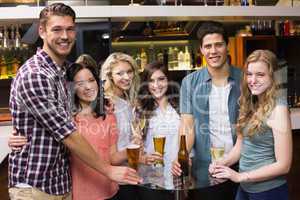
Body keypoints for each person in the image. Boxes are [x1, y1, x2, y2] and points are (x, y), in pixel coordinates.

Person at [8, 3, 140, 199]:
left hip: (61, 183)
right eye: (57, 29)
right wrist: (108, 170)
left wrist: (103, 103)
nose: (64, 36)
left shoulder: (62, 73)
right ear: (42, 31)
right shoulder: (35, 74)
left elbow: (86, 90)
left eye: (70, 29)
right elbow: (66, 133)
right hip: (36, 186)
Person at [172, 21, 242, 199]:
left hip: (243, 164)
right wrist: (183, 154)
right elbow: (187, 125)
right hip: (205, 169)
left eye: (218, 45)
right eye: (208, 46)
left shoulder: (245, 79)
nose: (213, 51)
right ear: (201, 50)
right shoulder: (190, 83)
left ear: (227, 46)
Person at [210, 49, 292, 200]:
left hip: (269, 191)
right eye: (249, 74)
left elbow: (284, 165)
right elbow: (240, 146)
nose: (252, 80)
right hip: (246, 188)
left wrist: (240, 176)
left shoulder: (278, 108)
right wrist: (222, 163)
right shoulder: (250, 103)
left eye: (260, 75)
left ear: (273, 77)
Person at [66, 62, 126, 200]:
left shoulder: (108, 115)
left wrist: (133, 151)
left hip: (109, 191)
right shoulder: (67, 119)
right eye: (80, 84)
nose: (88, 87)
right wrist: (19, 139)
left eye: (91, 80)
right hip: (80, 194)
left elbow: (112, 157)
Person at [135, 61, 179, 200]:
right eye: (151, 81)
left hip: (177, 177)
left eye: (161, 79)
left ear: (169, 80)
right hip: (151, 179)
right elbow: (134, 146)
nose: (156, 85)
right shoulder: (140, 110)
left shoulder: (179, 107)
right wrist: (142, 157)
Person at [100, 52, 141, 200]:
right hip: (117, 180)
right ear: (110, 76)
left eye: (129, 72)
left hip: (128, 174)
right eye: (120, 73)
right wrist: (135, 148)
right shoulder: (108, 105)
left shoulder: (124, 102)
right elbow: (111, 156)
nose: (126, 77)